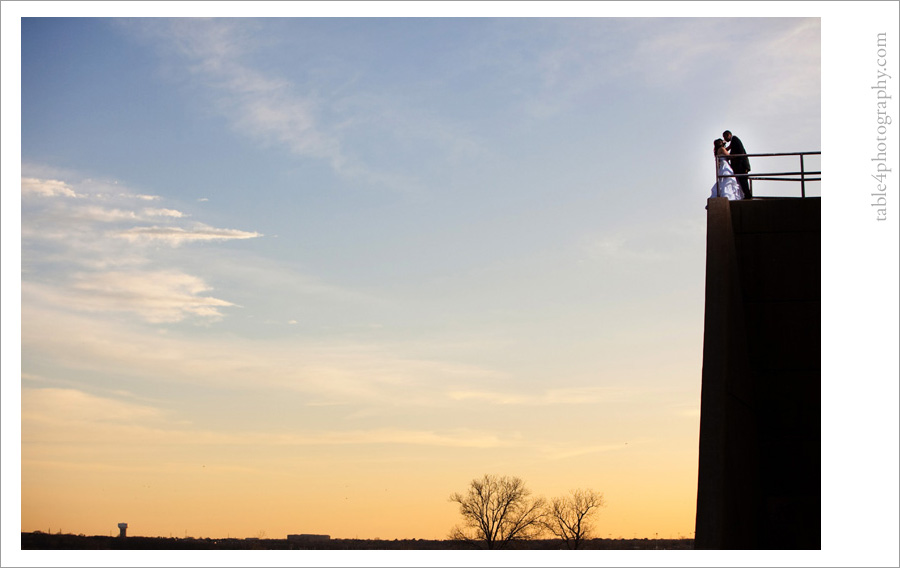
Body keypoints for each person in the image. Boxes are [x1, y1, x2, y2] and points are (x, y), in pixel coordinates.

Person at [723, 130, 751, 198]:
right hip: (740, 166)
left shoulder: (734, 139)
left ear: (729, 135)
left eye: (725, 137)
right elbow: (730, 148)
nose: (725, 139)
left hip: (741, 166)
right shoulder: (733, 141)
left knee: (743, 181)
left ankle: (748, 195)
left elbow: (739, 152)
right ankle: (746, 194)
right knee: (742, 181)